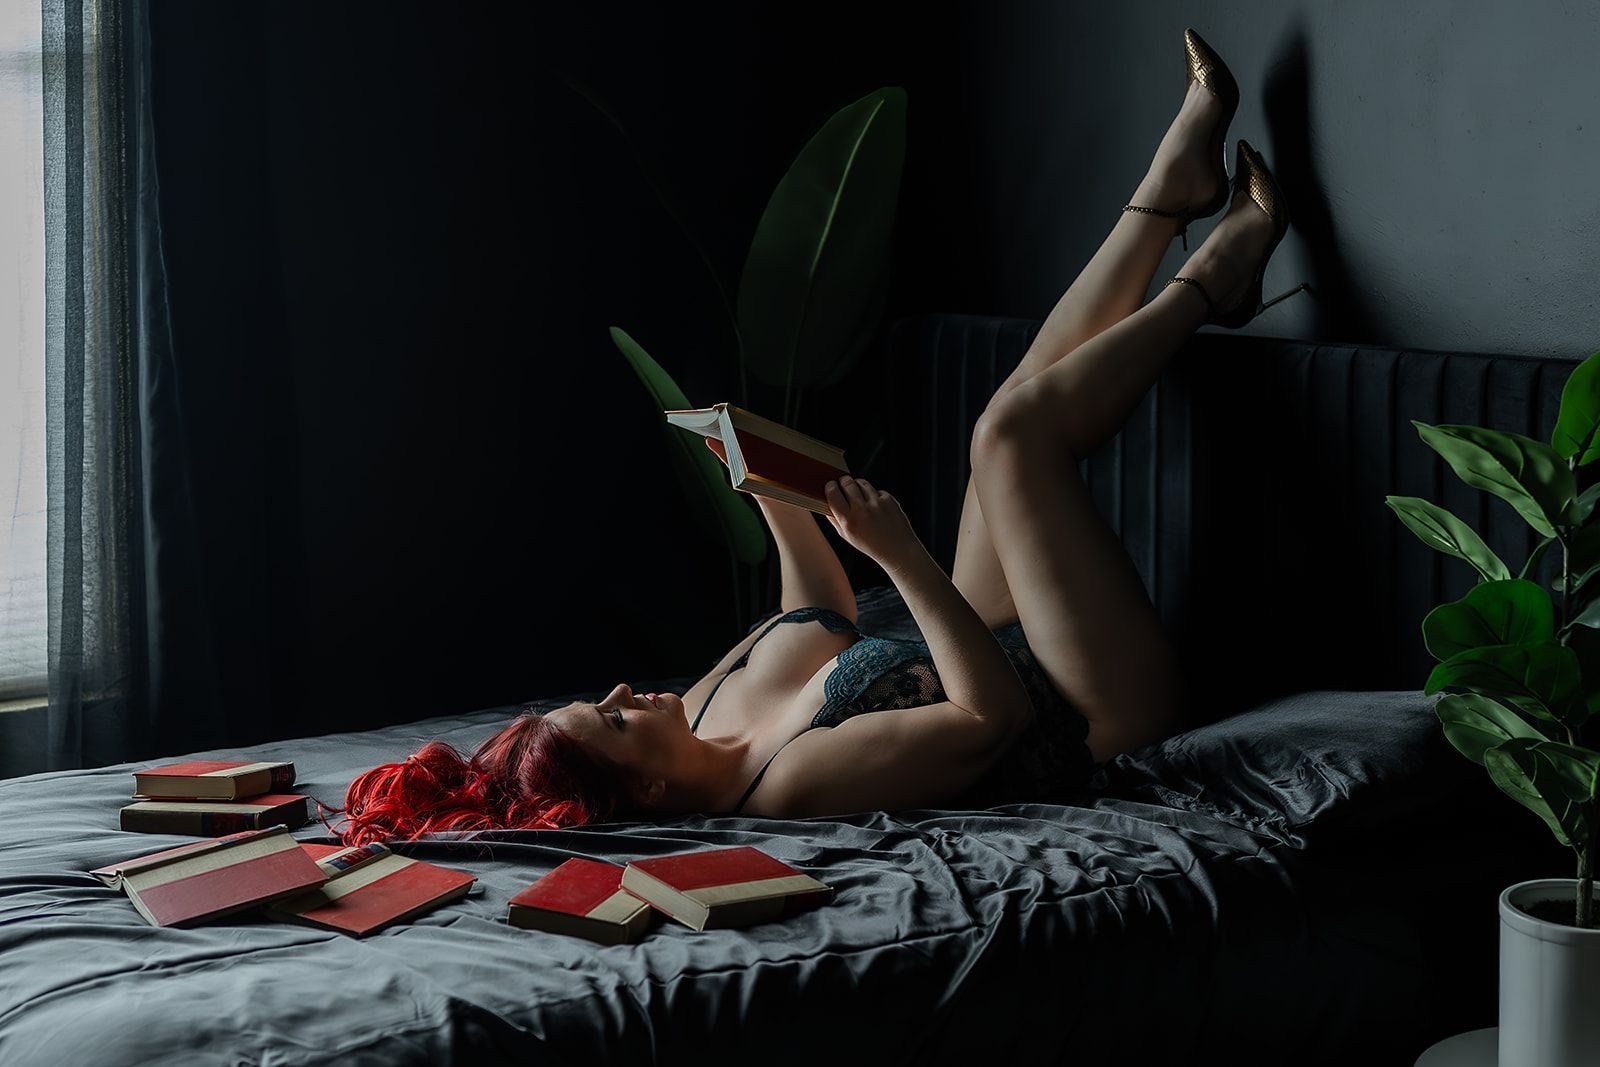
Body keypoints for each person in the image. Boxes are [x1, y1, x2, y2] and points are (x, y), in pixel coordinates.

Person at [335, 28, 1306, 845]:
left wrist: (769, 487)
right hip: (1092, 709)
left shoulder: (709, 712)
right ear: (652, 792)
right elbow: (991, 719)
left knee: (993, 422)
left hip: (997, 628)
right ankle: (1210, 280)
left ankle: (1164, 203)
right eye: (617, 715)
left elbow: (819, 616)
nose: (629, 687)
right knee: (1014, 438)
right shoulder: (790, 784)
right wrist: (901, 552)